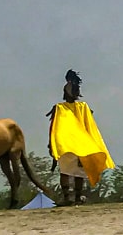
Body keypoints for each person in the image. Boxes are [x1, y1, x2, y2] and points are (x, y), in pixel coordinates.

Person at [47, 70, 115, 205]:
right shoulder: (79, 107)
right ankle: (76, 197)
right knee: (76, 172)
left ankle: (68, 198)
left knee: (66, 171)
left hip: (67, 145)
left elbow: (53, 127)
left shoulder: (63, 108)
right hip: (76, 145)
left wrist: (51, 143)